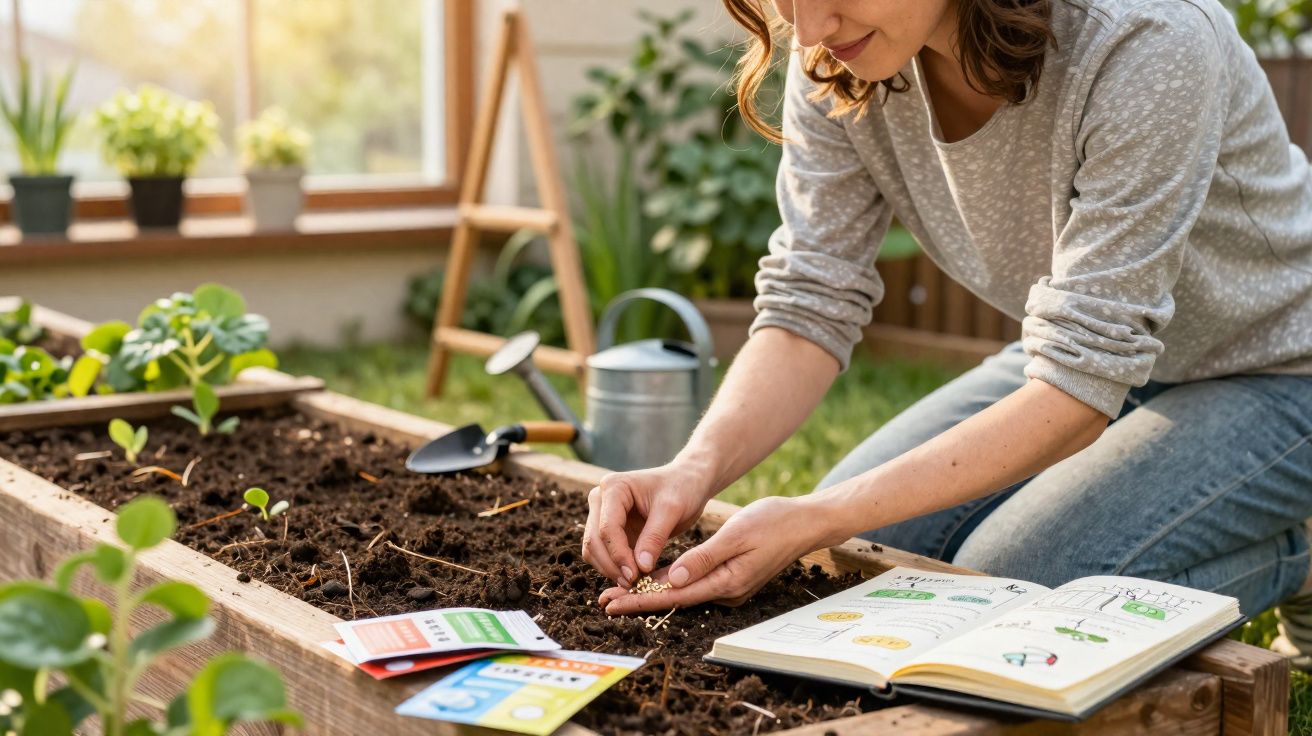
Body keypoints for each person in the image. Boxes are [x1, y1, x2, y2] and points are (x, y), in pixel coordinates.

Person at [582, 0, 1312, 651]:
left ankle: (1297, 552)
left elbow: (1077, 388)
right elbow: (810, 302)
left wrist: (817, 512)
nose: (807, 28)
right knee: (864, 555)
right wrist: (692, 470)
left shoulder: (1146, 37)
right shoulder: (839, 59)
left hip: (1282, 366)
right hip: (1109, 360)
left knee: (1015, 588)